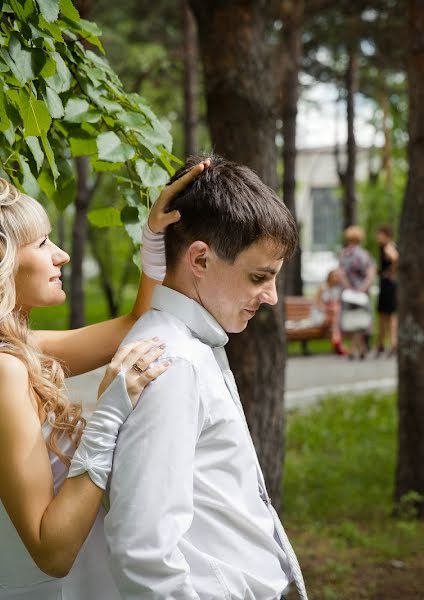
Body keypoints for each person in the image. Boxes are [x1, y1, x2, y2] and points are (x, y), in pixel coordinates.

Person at [0, 163, 207, 599]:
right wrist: (111, 415)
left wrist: (154, 236)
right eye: (43, 243)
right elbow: (53, 552)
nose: (61, 254)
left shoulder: (17, 351)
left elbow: (139, 322)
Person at [70, 155, 307, 599]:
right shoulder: (171, 363)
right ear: (199, 258)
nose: (271, 296)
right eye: (259, 277)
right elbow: (144, 551)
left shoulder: (192, 345)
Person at [337, 225, 376, 360]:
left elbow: (341, 274)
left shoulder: (343, 255)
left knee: (352, 320)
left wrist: (349, 288)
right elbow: (371, 275)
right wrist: (362, 289)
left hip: (348, 294)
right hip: (361, 294)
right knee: (361, 321)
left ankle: (355, 350)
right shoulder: (364, 255)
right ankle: (360, 350)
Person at [374, 224, 399, 357]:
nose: (378, 237)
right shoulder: (386, 246)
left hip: (388, 285)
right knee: (385, 315)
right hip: (388, 284)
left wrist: (390, 272)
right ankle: (382, 344)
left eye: (380, 235)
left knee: (388, 315)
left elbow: (395, 258)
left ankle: (391, 343)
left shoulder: (388, 247)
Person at [314, 268, 348, 356]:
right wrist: (326, 309)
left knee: (336, 311)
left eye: (337, 277)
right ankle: (338, 343)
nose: (336, 278)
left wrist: (332, 308)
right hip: (320, 314)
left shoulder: (337, 289)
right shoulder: (322, 288)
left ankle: (336, 340)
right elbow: (316, 303)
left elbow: (337, 304)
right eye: (334, 276)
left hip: (332, 316)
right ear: (329, 277)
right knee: (335, 315)